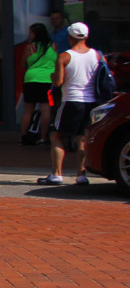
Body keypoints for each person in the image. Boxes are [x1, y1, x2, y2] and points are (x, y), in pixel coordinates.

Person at [38, 22, 99, 185]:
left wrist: (52, 76)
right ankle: (81, 174)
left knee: (57, 135)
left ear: (70, 37)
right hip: (90, 102)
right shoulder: (97, 55)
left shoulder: (65, 56)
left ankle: (57, 174)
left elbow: (58, 82)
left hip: (71, 100)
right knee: (82, 138)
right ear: (86, 36)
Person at [20, 23, 57, 146]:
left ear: (35, 34)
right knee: (46, 108)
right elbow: (56, 62)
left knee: (28, 109)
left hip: (31, 79)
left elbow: (23, 64)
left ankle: (23, 135)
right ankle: (43, 137)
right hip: (48, 80)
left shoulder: (30, 47)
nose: (29, 35)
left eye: (30, 32)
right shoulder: (53, 46)